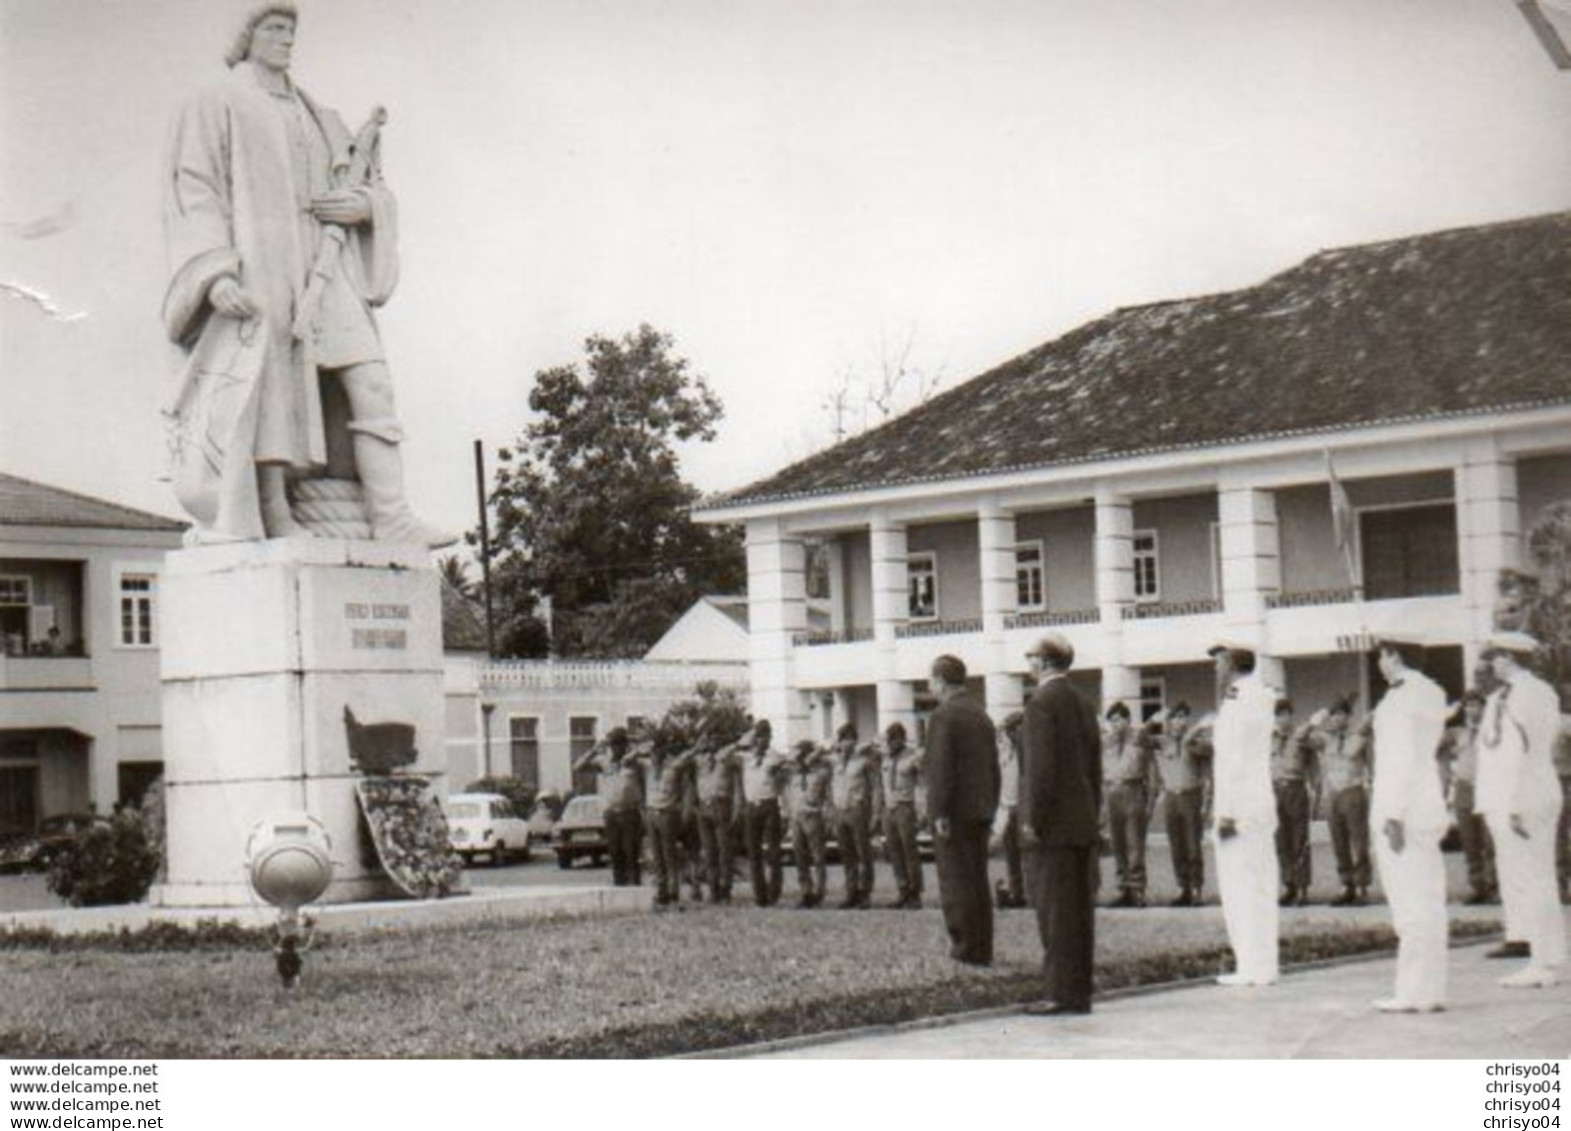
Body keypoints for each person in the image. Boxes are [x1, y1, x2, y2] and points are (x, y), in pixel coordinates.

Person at [163, 5, 448, 546]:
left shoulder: (320, 114)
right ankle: (274, 510)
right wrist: (214, 274)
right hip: (261, 265)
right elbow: (195, 191)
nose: (286, 41)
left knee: (371, 377)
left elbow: (368, 185)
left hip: (327, 268)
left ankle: (390, 516)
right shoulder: (216, 101)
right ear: (245, 36)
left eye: (292, 31)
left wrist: (364, 209)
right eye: (274, 29)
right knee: (268, 388)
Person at [1477, 632, 1566, 988]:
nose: (1492, 662)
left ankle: (1544, 964)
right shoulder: (1500, 696)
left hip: (1527, 795)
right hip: (1506, 799)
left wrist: (1516, 802)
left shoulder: (1534, 693)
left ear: (1510, 657)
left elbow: (1528, 751)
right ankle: (1540, 955)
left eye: (1496, 656)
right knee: (1526, 877)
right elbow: (1495, 751)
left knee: (1537, 878)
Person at [1367, 636, 1451, 1012]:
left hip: (1402, 811)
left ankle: (1412, 991)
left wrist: (1394, 815)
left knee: (1410, 905)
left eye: (1381, 655)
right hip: (1426, 806)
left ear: (1394, 656)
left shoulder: (1401, 697)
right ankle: (1431, 989)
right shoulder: (1430, 691)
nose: (1379, 662)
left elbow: (1399, 758)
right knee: (1430, 901)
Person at [1019, 633, 1102, 1015]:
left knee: (1053, 911)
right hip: (1081, 819)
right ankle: (1078, 991)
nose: (1029, 663)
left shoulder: (1040, 703)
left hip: (1052, 824)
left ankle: (1057, 991)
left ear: (1045, 662)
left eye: (1031, 657)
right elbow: (1093, 766)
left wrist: (1033, 818)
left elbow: (1040, 769)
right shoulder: (1084, 702)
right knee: (1079, 911)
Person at [1209, 638, 1281, 987]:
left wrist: (1226, 813)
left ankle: (1251, 966)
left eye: (1219, 661)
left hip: (1240, 811)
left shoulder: (1237, 700)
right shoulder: (1262, 695)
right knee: (1262, 885)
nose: (1216, 668)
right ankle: (1264, 964)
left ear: (1232, 663)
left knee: (1242, 889)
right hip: (1258, 804)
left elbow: (1234, 761)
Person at [924, 655, 1001, 965]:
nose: (930, 685)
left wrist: (939, 811)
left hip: (955, 811)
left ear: (941, 680)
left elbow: (941, 768)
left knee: (956, 881)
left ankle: (964, 946)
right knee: (977, 880)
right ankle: (982, 945)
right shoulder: (980, 714)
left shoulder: (944, 715)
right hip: (980, 808)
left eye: (931, 679)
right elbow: (994, 767)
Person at [1303, 698, 1373, 906]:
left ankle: (1362, 887)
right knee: (1339, 842)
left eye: (1342, 714)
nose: (1337, 718)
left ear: (1349, 717)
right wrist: (1314, 721)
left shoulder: (1359, 736)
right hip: (1332, 794)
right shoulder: (1324, 739)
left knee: (1359, 842)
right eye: (1334, 714)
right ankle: (1346, 885)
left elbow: (1367, 760)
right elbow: (1301, 739)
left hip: (1353, 790)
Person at [1149, 702, 1209, 907]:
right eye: (1175, 717)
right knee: (1176, 845)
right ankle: (1183, 888)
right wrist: (1153, 721)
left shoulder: (1195, 742)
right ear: (1169, 721)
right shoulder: (1162, 741)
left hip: (1190, 796)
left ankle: (1196, 889)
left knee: (1193, 844)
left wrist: (1194, 733)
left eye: (1183, 717)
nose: (1179, 721)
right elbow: (1140, 739)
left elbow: (1209, 751)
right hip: (1171, 797)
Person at [1442, 690, 1498, 906]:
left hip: (1487, 786)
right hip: (1464, 788)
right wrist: (1448, 714)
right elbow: (1431, 741)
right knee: (1469, 841)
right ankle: (1478, 887)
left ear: (1484, 708)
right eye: (1467, 706)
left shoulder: (1493, 730)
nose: (1471, 710)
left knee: (1489, 840)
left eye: (1475, 705)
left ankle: (1494, 887)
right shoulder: (1458, 733)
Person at [571, 727, 644, 887]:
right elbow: (578, 767)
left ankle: (635, 888)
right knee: (615, 852)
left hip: (629, 812)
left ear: (625, 745)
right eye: (613, 744)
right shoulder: (604, 763)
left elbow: (643, 785)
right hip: (611, 813)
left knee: (631, 852)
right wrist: (594, 750)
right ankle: (619, 885)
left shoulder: (634, 763)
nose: (616, 748)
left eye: (619, 744)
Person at [1101, 701, 1154, 908]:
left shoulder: (1140, 740)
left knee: (1134, 843)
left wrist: (1150, 800)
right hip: (1111, 791)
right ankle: (1123, 888)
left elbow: (1151, 771)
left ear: (1127, 720)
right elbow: (1099, 772)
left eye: (1119, 719)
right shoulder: (1105, 742)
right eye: (1112, 720)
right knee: (1117, 843)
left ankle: (1137, 889)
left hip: (1133, 791)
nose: (1116, 724)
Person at [1270, 698, 1318, 907]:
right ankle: (1288, 885)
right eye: (1278, 715)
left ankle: (1302, 889)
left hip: (1295, 788)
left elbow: (1313, 764)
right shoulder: (1268, 739)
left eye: (1286, 714)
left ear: (1291, 715)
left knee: (1299, 839)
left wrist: (1315, 787)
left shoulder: (1300, 737)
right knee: (1281, 841)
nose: (1282, 719)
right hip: (1275, 790)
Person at [828, 724, 882, 909]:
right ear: (839, 741)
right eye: (843, 739)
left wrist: (875, 814)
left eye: (850, 738)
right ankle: (851, 892)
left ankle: (865, 893)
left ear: (855, 740)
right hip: (840, 809)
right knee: (846, 853)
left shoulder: (864, 762)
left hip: (857, 809)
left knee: (863, 852)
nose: (847, 743)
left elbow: (876, 788)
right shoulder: (834, 761)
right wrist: (831, 810)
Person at [740, 720, 789, 907]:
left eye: (765, 736)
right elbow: (725, 755)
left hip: (769, 805)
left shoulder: (775, 757)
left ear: (770, 737)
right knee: (754, 852)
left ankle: (774, 892)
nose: (761, 740)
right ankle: (759, 895)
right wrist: (747, 736)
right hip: (752, 805)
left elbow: (783, 781)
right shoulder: (746, 757)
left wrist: (784, 809)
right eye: (758, 736)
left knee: (774, 852)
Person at [694, 728, 746, 904]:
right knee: (709, 852)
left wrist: (737, 808)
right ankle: (713, 889)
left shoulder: (729, 761)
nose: (712, 743)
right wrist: (697, 745)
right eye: (709, 740)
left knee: (724, 851)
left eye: (715, 740)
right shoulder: (699, 761)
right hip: (703, 806)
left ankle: (726, 890)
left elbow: (738, 786)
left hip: (722, 804)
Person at [644, 738, 697, 906]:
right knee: (657, 856)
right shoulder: (647, 767)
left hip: (667, 814)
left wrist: (697, 745)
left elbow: (688, 755)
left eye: (657, 750)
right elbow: (628, 759)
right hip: (652, 813)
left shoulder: (673, 765)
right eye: (652, 751)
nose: (654, 754)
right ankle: (662, 892)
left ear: (663, 750)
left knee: (669, 855)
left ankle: (673, 892)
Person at [880, 721, 926, 909]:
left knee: (910, 851)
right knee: (894, 852)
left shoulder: (912, 757)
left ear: (903, 739)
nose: (891, 742)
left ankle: (915, 893)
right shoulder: (886, 759)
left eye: (895, 738)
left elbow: (922, 784)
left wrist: (922, 810)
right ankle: (902, 889)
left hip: (905, 806)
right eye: (889, 739)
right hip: (889, 808)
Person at [788, 740, 832, 908]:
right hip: (797, 816)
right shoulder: (793, 773)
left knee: (818, 857)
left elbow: (827, 796)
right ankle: (806, 892)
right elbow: (787, 762)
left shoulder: (821, 772)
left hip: (813, 815)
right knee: (800, 858)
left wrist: (817, 753)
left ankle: (819, 893)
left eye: (805, 754)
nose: (803, 758)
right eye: (801, 754)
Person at [993, 711, 1028, 909]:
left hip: (1022, 807)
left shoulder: (1026, 753)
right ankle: (1016, 891)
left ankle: (1029, 892)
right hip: (1007, 807)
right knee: (1011, 853)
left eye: (1008, 731)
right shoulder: (1004, 753)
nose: (1005, 736)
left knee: (1027, 854)